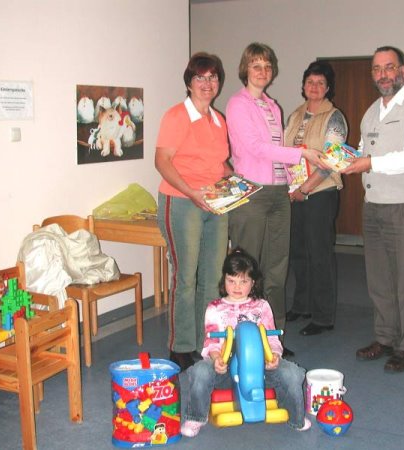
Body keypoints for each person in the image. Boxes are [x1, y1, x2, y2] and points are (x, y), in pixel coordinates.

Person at [225, 43, 330, 354]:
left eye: (267, 66)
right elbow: (256, 148)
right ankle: (243, 338)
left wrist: (301, 175)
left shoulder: (274, 107)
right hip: (253, 192)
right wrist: (301, 153)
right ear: (246, 69)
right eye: (257, 66)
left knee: (277, 268)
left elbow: (279, 154)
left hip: (279, 193)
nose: (263, 71)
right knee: (247, 267)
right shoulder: (237, 104)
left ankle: (273, 340)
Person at [341, 46, 404, 373]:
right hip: (375, 205)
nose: (383, 74)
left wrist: (368, 162)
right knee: (379, 280)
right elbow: (363, 150)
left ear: (403, 71)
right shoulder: (372, 111)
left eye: (389, 67)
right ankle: (384, 337)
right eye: (377, 69)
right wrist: (343, 158)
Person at [180, 248, 311, 437]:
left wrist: (273, 356)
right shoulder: (215, 308)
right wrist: (217, 359)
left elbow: (272, 339)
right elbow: (211, 343)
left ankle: (296, 417)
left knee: (292, 373)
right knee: (200, 371)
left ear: (253, 283)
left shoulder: (262, 306)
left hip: (261, 369)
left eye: (243, 281)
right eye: (231, 280)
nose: (237, 286)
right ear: (224, 280)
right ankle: (195, 417)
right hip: (225, 369)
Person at [155, 52, 232, 371]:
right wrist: (191, 192)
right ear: (189, 82)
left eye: (213, 77)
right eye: (200, 77)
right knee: (186, 277)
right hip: (182, 200)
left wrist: (237, 182)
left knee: (213, 277)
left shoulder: (219, 120)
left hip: (216, 203)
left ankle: (206, 341)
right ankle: (181, 346)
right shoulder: (176, 116)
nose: (207, 83)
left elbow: (219, 164)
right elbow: (162, 162)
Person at [284, 61, 348, 336]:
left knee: (319, 253)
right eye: (310, 82)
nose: (315, 87)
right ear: (303, 85)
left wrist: (306, 189)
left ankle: (323, 316)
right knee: (298, 251)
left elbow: (333, 161)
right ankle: (302, 305)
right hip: (294, 193)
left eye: (321, 83)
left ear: (328, 87)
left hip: (320, 193)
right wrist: (290, 189)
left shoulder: (334, 117)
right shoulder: (296, 115)